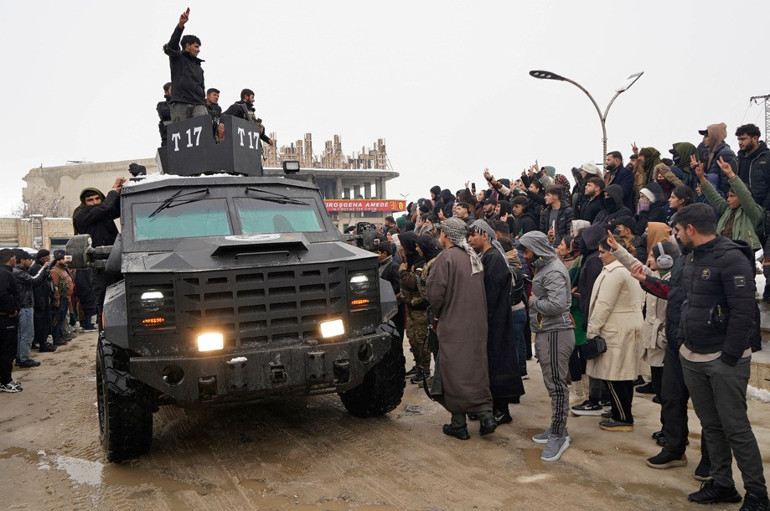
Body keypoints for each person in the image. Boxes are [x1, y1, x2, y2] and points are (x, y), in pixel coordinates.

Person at [673, 203, 768, 509]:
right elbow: (687, 301)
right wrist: (682, 342)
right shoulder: (691, 256)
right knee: (710, 425)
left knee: (736, 427)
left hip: (723, 359)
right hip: (693, 354)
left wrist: (729, 356)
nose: (675, 234)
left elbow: (744, 313)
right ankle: (723, 484)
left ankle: (757, 493)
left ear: (690, 229)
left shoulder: (731, 259)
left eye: (677, 229)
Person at [426, 217, 496, 440]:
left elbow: (435, 295)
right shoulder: (472, 256)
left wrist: (436, 313)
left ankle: (459, 424)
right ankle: (486, 416)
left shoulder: (446, 258)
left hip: (454, 325)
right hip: (477, 325)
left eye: (441, 233)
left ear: (446, 235)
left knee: (454, 372)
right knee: (476, 370)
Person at [518, 231, 574, 461]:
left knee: (557, 386)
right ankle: (557, 427)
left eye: (526, 249)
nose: (524, 254)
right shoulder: (545, 266)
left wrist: (533, 302)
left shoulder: (552, 270)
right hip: (547, 332)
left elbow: (557, 304)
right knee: (553, 383)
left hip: (555, 332)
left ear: (536, 248)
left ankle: (559, 435)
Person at [585, 236, 644, 431]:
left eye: (603, 252)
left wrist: (592, 331)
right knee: (624, 374)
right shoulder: (629, 269)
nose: (600, 256)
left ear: (613, 250)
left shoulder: (616, 273)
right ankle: (621, 411)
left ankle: (623, 417)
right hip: (628, 325)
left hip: (616, 328)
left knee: (614, 376)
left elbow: (603, 305)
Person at [468, 220, 525, 425]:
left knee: (498, 364)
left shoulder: (493, 258)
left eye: (474, 235)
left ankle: (501, 410)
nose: (470, 239)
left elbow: (490, 295)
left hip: (496, 322)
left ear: (485, 235)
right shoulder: (487, 256)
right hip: (491, 320)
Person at [72, 179, 126, 322]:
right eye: (90, 200)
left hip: (117, 260)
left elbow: (117, 208)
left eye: (97, 199)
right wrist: (113, 190)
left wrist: (124, 190)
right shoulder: (82, 214)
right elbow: (106, 208)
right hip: (100, 266)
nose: (95, 202)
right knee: (104, 303)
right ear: (84, 202)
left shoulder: (102, 214)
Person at [163, 8, 207, 122]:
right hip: (180, 103)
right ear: (187, 46)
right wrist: (180, 25)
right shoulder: (177, 58)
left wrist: (203, 101)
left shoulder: (199, 68)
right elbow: (172, 46)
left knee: (202, 124)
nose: (199, 50)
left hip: (198, 104)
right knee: (180, 134)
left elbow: (202, 87)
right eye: (196, 46)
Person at [12, 250, 50, 368]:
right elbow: (34, 281)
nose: (30, 262)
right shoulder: (19, 273)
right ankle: (23, 358)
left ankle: (20, 356)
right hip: (25, 306)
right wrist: (44, 269)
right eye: (29, 260)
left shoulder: (17, 272)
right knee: (27, 334)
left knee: (21, 334)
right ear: (22, 260)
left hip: (22, 305)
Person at [0, 249, 22, 393]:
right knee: (7, 350)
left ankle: (5, 378)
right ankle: (5, 381)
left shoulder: (5, 272)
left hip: (5, 317)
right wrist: (12, 310)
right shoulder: (4, 274)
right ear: (11, 258)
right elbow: (3, 295)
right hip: (5, 318)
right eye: (14, 257)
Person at [29, 250, 55, 353]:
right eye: (47, 256)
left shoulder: (42, 267)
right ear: (42, 258)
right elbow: (36, 285)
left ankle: (42, 342)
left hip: (45, 298)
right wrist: (40, 302)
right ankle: (42, 344)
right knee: (41, 323)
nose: (49, 258)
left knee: (45, 322)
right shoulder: (36, 268)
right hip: (40, 300)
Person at [50, 251, 74, 347]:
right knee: (58, 319)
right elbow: (55, 286)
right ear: (57, 260)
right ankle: (56, 338)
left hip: (66, 298)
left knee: (62, 318)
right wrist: (57, 299)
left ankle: (60, 336)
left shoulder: (63, 269)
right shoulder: (54, 271)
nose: (64, 261)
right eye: (62, 259)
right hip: (61, 298)